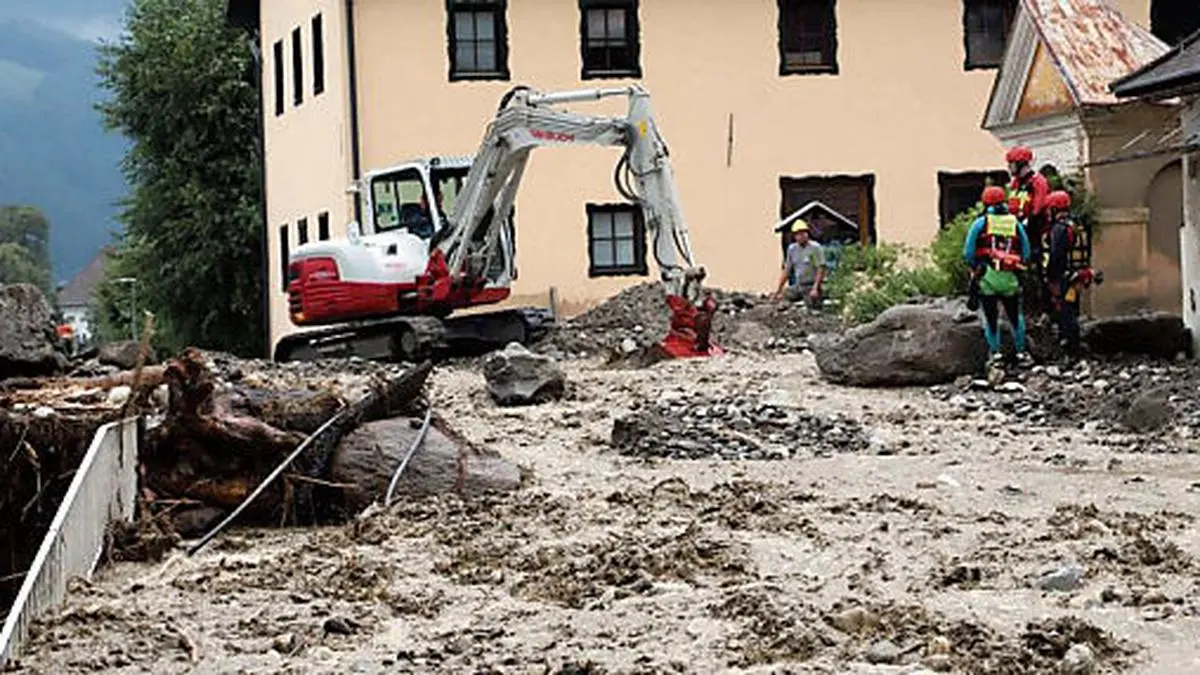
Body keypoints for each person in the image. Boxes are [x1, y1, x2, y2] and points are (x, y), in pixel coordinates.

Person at [963, 185, 1033, 368]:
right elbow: (1025, 252)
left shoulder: (980, 223)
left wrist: (974, 267)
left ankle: (995, 354)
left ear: (985, 203)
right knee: (1015, 316)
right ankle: (1021, 353)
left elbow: (968, 252)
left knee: (991, 316)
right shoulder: (1014, 223)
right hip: (1010, 278)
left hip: (988, 278)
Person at [1005, 145, 1052, 314]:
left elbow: (1038, 208)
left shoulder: (1037, 182)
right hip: (1016, 230)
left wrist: (1026, 223)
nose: (1009, 168)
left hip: (1033, 231)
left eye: (1011, 164)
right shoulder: (1016, 184)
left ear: (1021, 164)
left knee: (1036, 269)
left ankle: (1043, 306)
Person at [1043, 190, 1082, 361]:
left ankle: (1070, 346)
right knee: (1071, 308)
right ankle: (1072, 343)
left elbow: (1056, 255)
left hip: (1063, 275)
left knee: (1065, 311)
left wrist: (1049, 275)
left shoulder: (1059, 229)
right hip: (1076, 273)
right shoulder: (1074, 225)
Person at [772, 219, 826, 308]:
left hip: (811, 285)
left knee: (811, 304)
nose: (800, 236)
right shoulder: (792, 249)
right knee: (785, 296)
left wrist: (815, 288)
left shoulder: (815, 248)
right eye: (797, 234)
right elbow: (787, 270)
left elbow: (821, 268)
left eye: (802, 233)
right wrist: (778, 290)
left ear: (807, 233)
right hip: (799, 285)